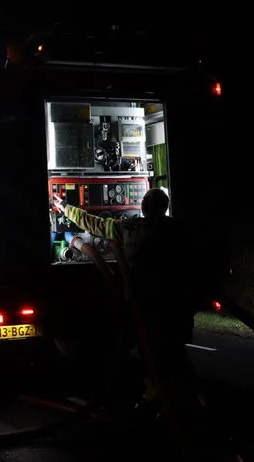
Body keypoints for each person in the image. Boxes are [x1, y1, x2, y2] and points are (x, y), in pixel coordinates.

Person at [52, 188, 216, 456]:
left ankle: (169, 410)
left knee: (155, 356)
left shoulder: (130, 229)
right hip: (175, 309)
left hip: (148, 308)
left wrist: (65, 209)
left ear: (142, 207)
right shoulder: (180, 231)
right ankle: (183, 406)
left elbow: (94, 224)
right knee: (173, 356)